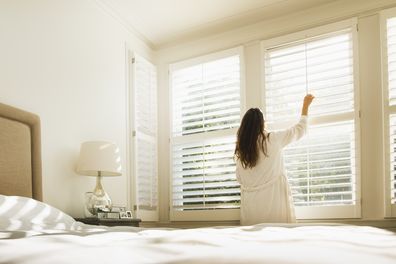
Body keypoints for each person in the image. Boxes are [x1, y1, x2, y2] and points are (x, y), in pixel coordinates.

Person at [234, 94, 314, 225]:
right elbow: (300, 129)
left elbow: (239, 178)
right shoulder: (272, 139)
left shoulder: (241, 153)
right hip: (274, 209)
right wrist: (305, 106)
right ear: (262, 124)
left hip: (251, 213)